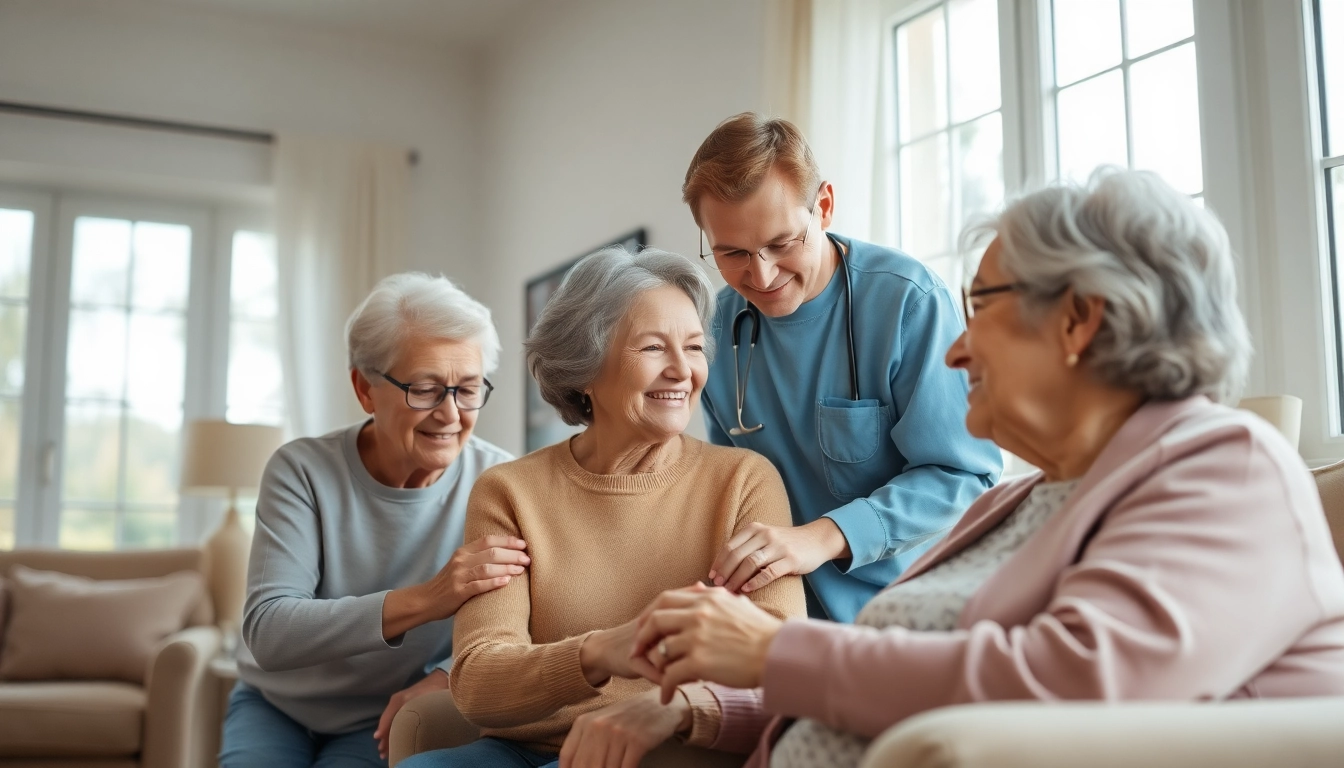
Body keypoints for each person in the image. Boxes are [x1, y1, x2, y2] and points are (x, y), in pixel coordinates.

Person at [631, 170, 1344, 767]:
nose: (956, 350)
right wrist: (707, 704)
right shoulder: (1026, 500)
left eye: (981, 308)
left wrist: (776, 652)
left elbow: (1076, 679)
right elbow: (887, 672)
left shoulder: (1226, 468)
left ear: (1079, 319)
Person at [400, 247, 806, 768]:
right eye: (654, 348)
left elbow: (780, 662)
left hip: (660, 749)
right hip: (516, 750)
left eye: (695, 347)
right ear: (585, 367)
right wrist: (598, 651)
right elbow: (478, 681)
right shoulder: (510, 491)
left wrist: (679, 708)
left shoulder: (743, 481)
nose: (683, 371)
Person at [686, 112, 1002, 622]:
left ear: (824, 207)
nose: (761, 274)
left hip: (919, 610)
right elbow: (736, 490)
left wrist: (825, 536)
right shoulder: (714, 331)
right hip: (786, 618)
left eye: (781, 243)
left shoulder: (906, 302)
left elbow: (965, 475)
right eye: (732, 253)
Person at [222, 273, 524, 768]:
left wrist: (446, 675)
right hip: (276, 705)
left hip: (383, 717)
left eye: (468, 390)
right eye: (425, 389)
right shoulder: (301, 471)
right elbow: (270, 631)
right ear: (365, 388)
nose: (450, 414)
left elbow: (520, 623)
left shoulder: (499, 482)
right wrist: (429, 598)